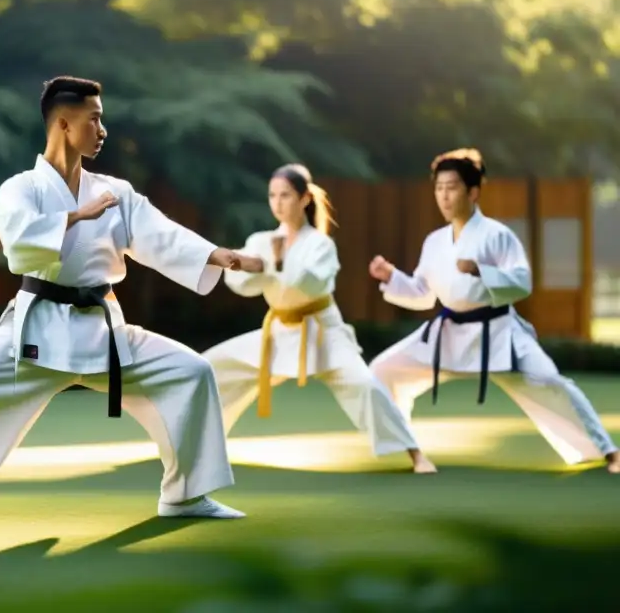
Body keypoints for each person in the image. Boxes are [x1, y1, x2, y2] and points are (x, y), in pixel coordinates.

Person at [0, 76, 255, 522]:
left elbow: (160, 235)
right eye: (95, 119)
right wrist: (75, 215)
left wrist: (217, 255)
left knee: (192, 372)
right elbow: (18, 245)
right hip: (35, 329)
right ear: (64, 124)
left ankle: (185, 495)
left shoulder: (115, 192)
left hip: (104, 331)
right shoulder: (20, 188)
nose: (103, 130)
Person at [368, 148, 619, 473]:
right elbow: (423, 295)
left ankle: (609, 452)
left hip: (498, 333)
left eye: (452, 187)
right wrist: (392, 278)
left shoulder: (497, 235)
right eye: (439, 188)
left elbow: (522, 283)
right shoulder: (434, 242)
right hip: (449, 332)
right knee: (381, 371)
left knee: (552, 383)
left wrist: (479, 270)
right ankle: (414, 454)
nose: (444, 196)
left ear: (473, 192)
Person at [202, 164, 436, 474]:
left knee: (366, 386)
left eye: (285, 195)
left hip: (323, 332)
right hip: (280, 331)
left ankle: (416, 454)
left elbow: (310, 283)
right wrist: (245, 265)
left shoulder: (321, 244)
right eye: (272, 195)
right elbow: (245, 284)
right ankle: (197, 446)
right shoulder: (261, 240)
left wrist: (275, 263)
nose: (278, 202)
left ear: (304, 199)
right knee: (210, 367)